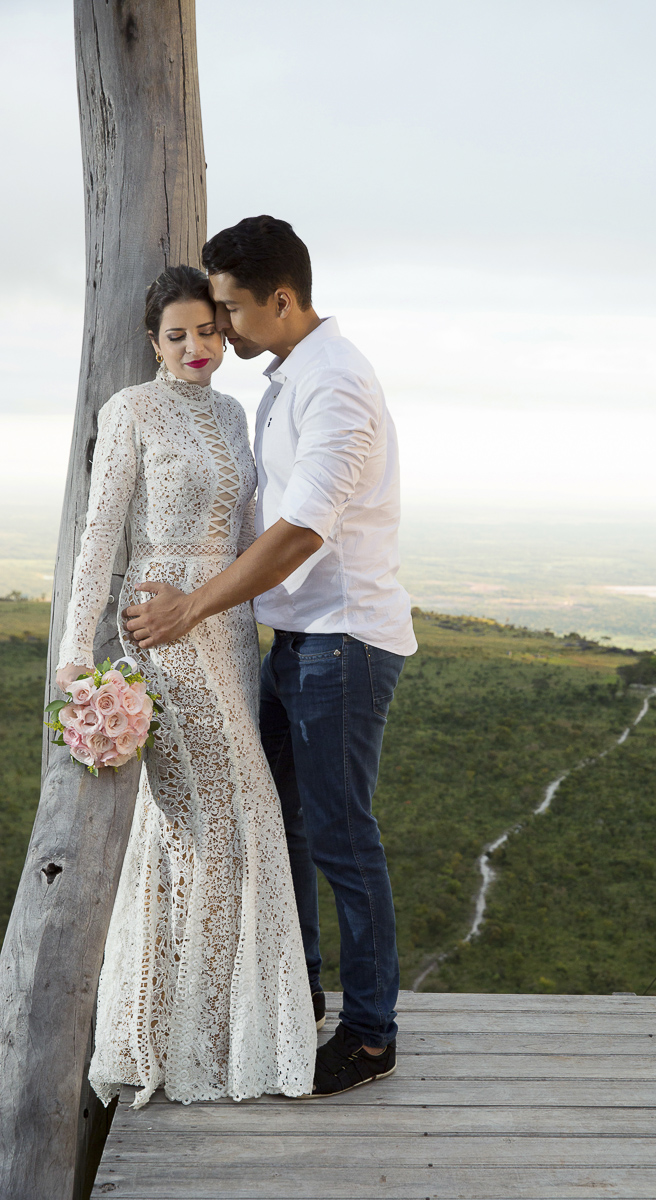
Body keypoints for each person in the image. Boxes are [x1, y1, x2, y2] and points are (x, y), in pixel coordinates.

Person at [123, 217, 418, 1096]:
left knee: (341, 839)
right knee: (284, 825)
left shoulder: (337, 386)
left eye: (231, 312)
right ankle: (301, 998)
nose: (222, 330)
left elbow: (297, 535)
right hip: (297, 642)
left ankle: (370, 1035)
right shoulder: (290, 379)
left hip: (345, 642)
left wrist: (191, 607)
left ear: (282, 300)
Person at [56, 265, 316, 1110]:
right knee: (226, 814)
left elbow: (252, 531)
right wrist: (74, 658)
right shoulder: (129, 410)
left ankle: (217, 1028)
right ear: (152, 341)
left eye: (209, 330)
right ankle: (185, 1034)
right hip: (162, 629)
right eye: (179, 335)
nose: (199, 348)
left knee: (218, 826)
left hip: (230, 629)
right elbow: (100, 537)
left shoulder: (237, 413)